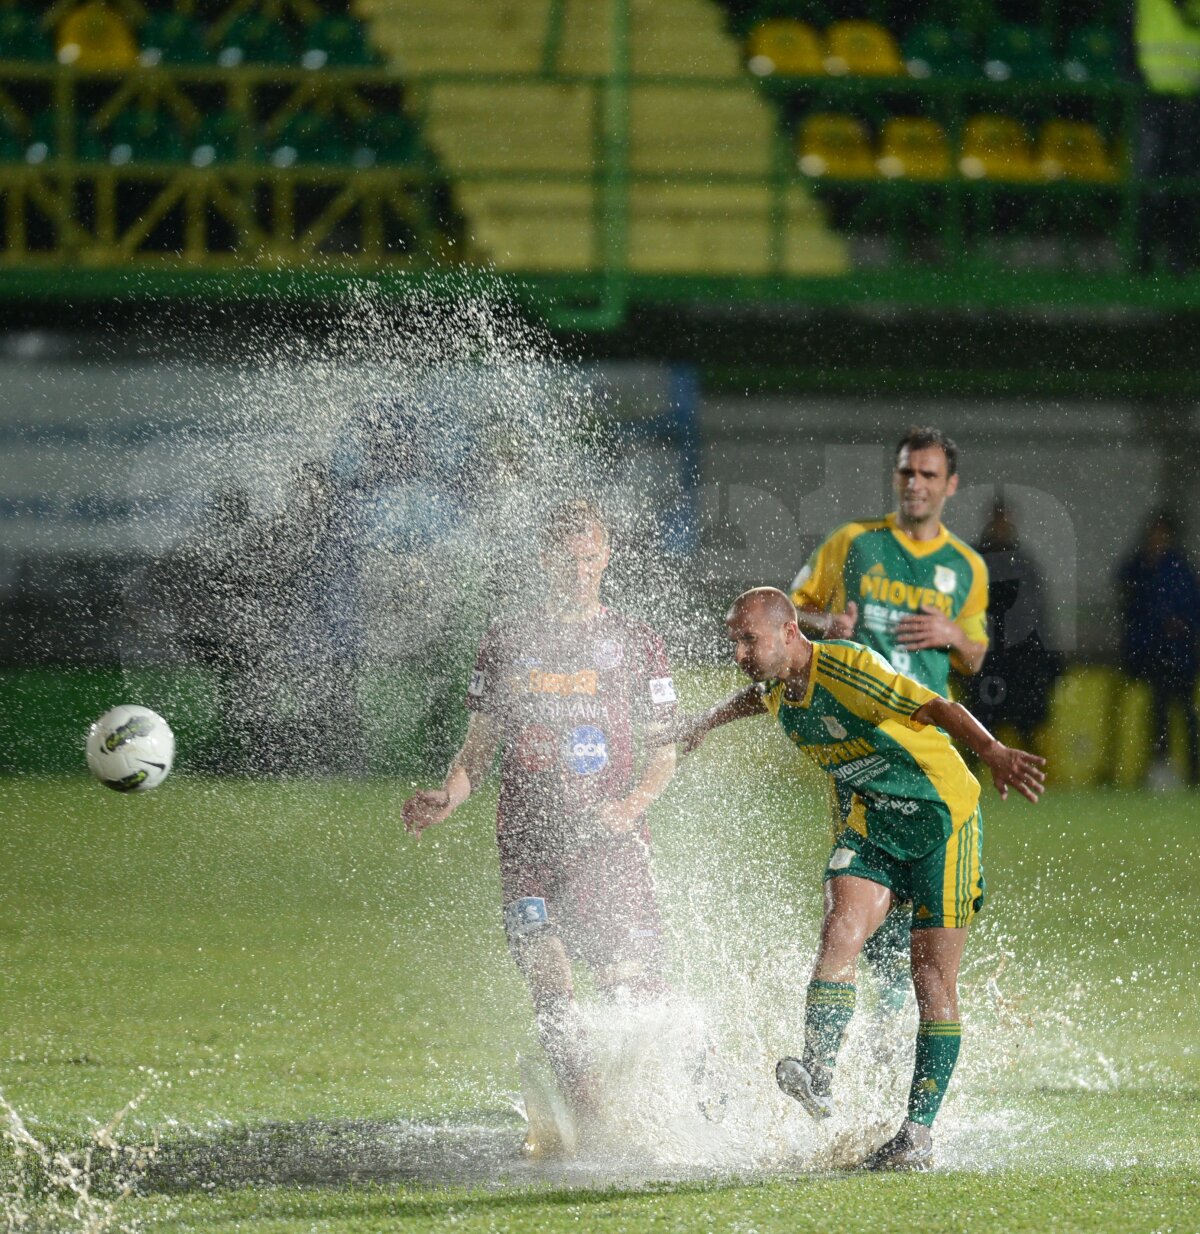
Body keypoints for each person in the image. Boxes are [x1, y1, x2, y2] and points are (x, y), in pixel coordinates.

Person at [659, 588, 1044, 1170]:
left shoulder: (849, 667)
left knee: (931, 979)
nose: (738, 651)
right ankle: (818, 1071)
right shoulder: (776, 687)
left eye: (748, 640)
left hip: (943, 820)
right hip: (872, 826)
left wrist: (991, 751)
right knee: (839, 931)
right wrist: (705, 722)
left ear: (789, 634)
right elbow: (753, 699)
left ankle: (915, 1136)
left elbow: (935, 706)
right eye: (733, 641)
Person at [401, 498, 679, 1126]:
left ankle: (668, 1095)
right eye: (566, 559)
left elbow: (668, 745)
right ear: (544, 560)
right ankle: (591, 1120)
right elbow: (477, 750)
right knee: (551, 988)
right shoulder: (508, 639)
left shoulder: (636, 640)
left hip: (607, 846)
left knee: (623, 986)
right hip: (526, 848)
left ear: (605, 557)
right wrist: (451, 794)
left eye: (589, 558)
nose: (579, 571)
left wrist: (632, 806)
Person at [790, 427, 989, 1032]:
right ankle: (877, 998)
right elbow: (785, 611)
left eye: (929, 475)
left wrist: (953, 635)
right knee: (864, 867)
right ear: (895, 477)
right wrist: (831, 622)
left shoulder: (966, 566)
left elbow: (975, 656)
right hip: (864, 744)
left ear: (950, 485)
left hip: (928, 748)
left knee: (921, 868)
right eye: (907, 472)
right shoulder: (854, 543)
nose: (916, 485)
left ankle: (891, 1005)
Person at [968, 500, 1062, 752]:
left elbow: (1037, 612)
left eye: (1006, 520)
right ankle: (973, 770)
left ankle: (1030, 768)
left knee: (1027, 719)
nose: (1002, 527)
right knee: (981, 719)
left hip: (1020, 654)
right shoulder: (973, 560)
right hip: (985, 652)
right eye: (998, 520)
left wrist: (1050, 653)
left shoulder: (1025, 564)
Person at [1117, 508, 1200, 786]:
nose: (1157, 539)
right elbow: (1134, 606)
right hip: (1153, 655)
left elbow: (1189, 611)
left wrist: (1180, 628)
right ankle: (1161, 767)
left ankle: (1191, 770)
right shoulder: (1141, 567)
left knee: (1185, 713)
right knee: (1161, 710)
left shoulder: (1178, 569)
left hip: (1179, 656)